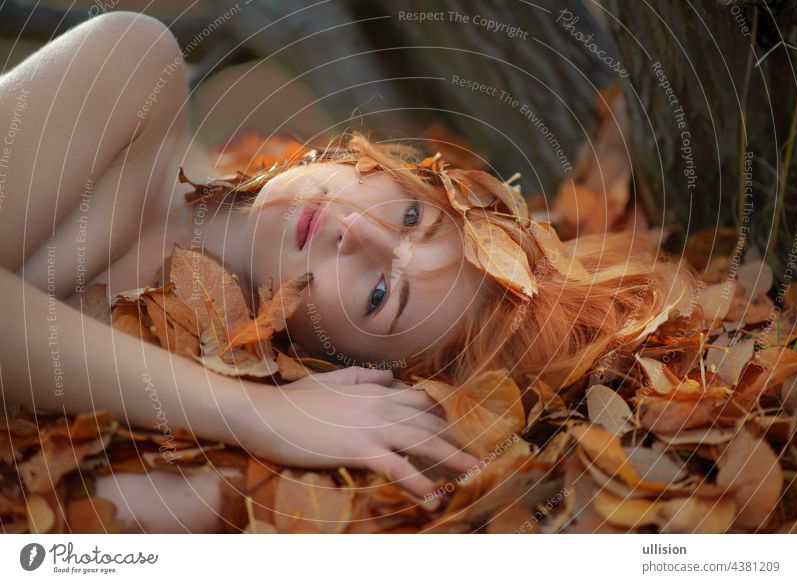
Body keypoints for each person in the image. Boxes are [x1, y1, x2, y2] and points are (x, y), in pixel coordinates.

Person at [0, 12, 698, 532]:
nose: (352, 230)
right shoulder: (131, 71)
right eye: (410, 217)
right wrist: (253, 412)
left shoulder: (194, 417)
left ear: (347, 370)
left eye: (378, 294)